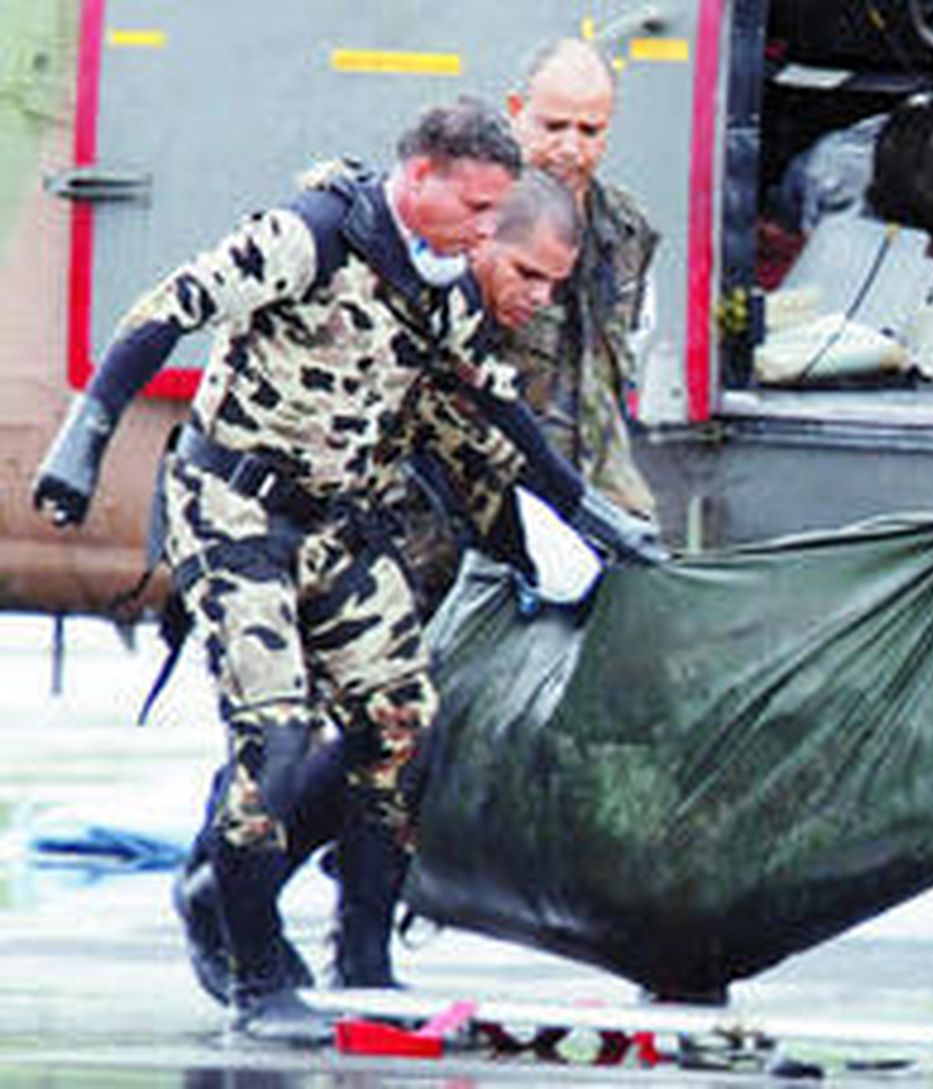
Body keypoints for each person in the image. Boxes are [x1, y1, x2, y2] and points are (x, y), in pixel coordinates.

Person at [33, 98, 660, 1041]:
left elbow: (495, 417)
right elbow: (165, 311)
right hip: (234, 510)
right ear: (422, 177)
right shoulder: (312, 235)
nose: (486, 232)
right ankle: (250, 964)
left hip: (336, 522)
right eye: (477, 209)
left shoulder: (443, 288)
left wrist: (588, 515)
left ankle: (364, 963)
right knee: (277, 740)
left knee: (403, 723)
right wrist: (84, 439)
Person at [502, 37, 660, 518]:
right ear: (516, 112)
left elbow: (622, 361)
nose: (571, 148)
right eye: (554, 126)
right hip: (496, 492)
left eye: (590, 130)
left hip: (599, 494)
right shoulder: (478, 220)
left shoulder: (626, 230)